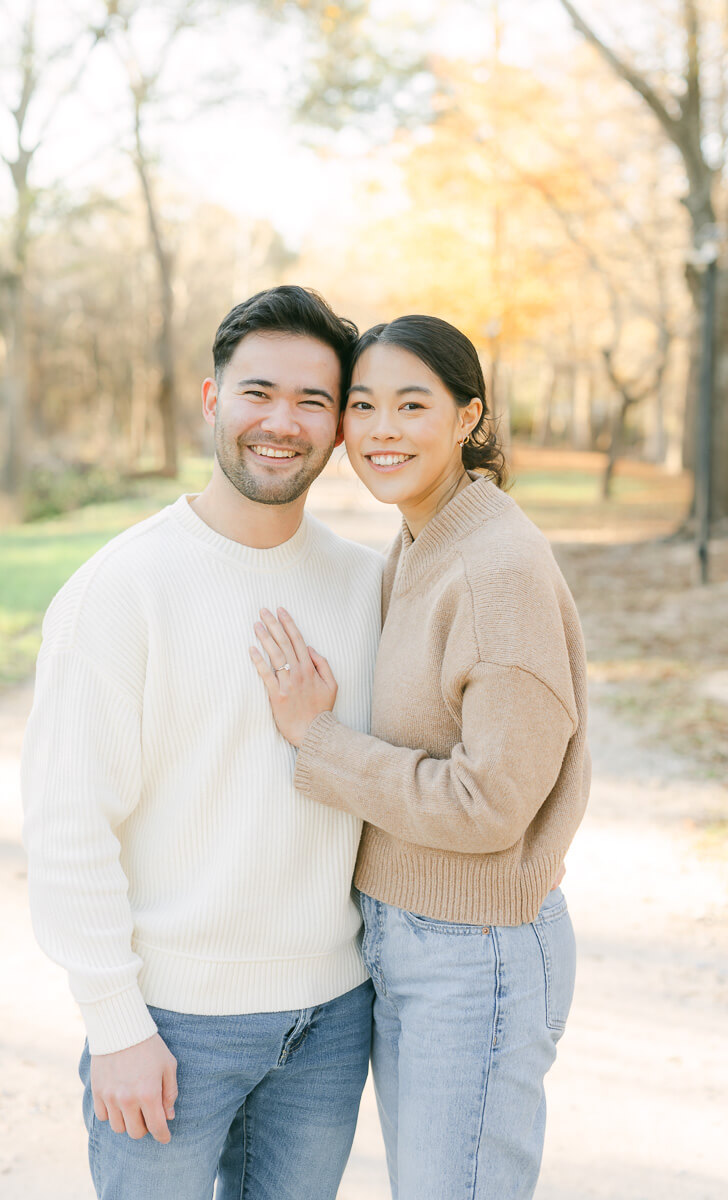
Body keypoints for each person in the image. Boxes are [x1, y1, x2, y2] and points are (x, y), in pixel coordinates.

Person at [21, 286, 385, 1200]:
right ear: (211, 398)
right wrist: (116, 1025)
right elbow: (68, 826)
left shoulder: (369, 585)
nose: (283, 421)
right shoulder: (122, 588)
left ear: (341, 424)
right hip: (173, 1027)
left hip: (333, 1022)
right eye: (259, 391)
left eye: (314, 401)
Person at [252, 314, 590, 1200]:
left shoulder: (493, 567)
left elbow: (490, 802)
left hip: (474, 951)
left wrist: (317, 740)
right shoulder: (424, 543)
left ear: (469, 416)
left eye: (412, 404)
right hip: (413, 936)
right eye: (363, 406)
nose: (382, 430)